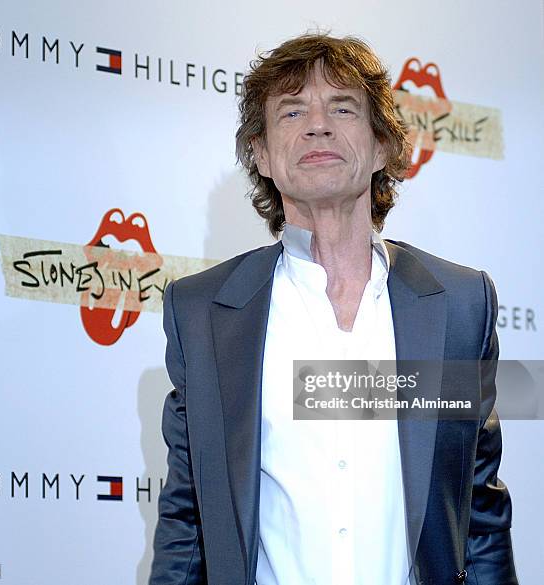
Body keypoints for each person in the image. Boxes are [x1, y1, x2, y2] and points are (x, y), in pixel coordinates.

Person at [148, 33, 518, 585]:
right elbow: (188, 520)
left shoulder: (460, 306)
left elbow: (478, 516)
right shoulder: (202, 313)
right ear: (263, 154)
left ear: (383, 146)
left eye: (342, 107)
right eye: (292, 110)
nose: (317, 124)